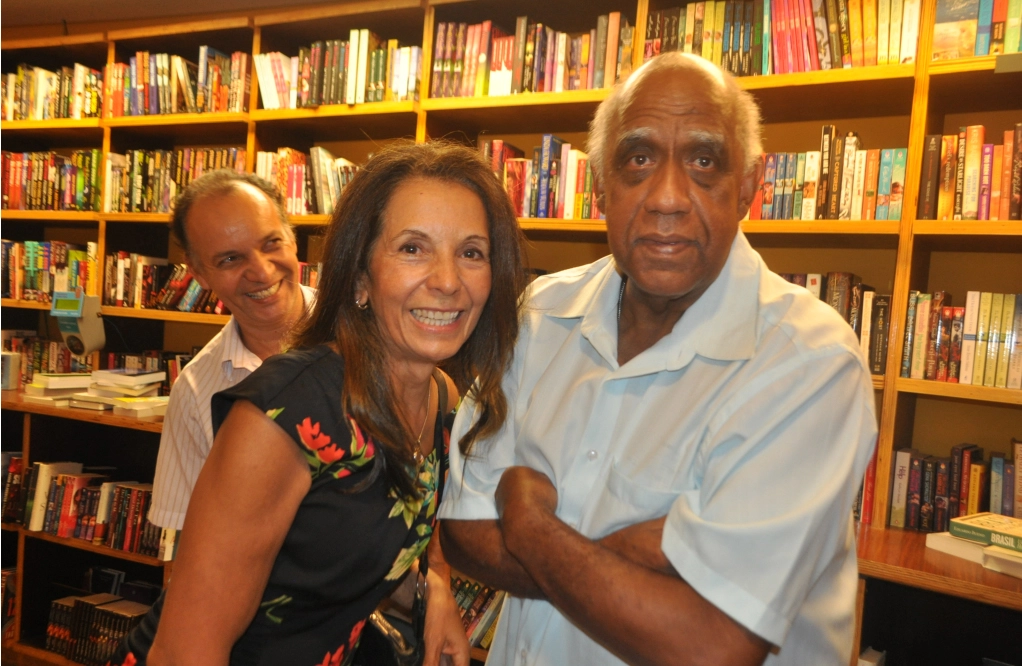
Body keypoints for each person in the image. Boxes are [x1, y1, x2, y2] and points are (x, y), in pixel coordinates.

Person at [439, 52, 878, 665]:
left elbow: (710, 646)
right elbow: (461, 529)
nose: (667, 197)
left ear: (749, 184)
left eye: (703, 161)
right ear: (600, 186)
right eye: (639, 160)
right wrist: (646, 556)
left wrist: (531, 523)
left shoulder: (807, 361)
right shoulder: (540, 313)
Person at [115, 141, 528, 666]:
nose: (448, 281)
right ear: (359, 277)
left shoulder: (441, 400)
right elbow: (183, 653)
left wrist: (435, 588)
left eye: (471, 252)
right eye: (412, 248)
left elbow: (358, 546)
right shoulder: (283, 416)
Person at [148, 169, 315, 532]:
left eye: (271, 243)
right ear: (199, 275)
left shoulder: (370, 336)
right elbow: (191, 537)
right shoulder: (195, 391)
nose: (261, 271)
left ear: (293, 238)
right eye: (230, 259)